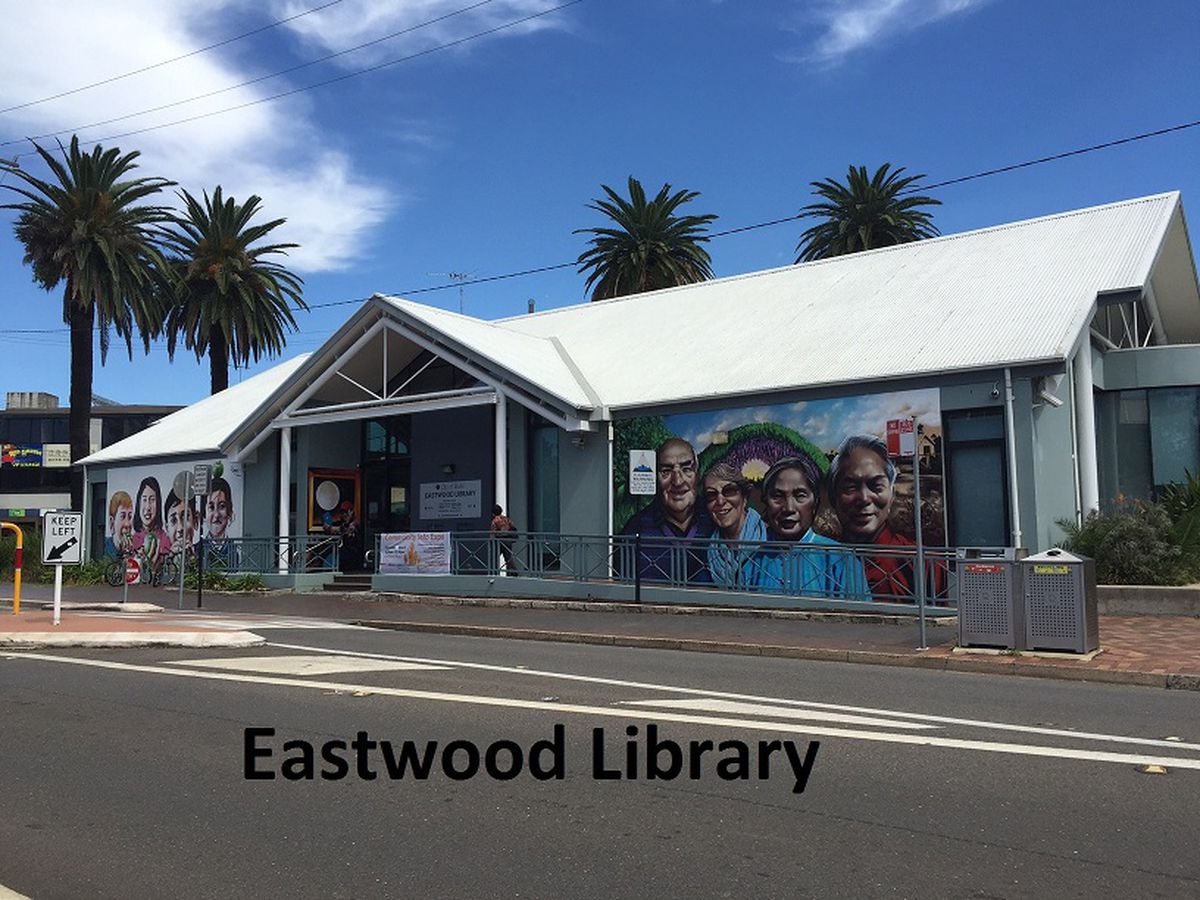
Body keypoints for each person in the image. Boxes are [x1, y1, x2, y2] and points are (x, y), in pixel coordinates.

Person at [829, 434, 944, 602]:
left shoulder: (925, 563)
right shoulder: (822, 562)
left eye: (876, 486)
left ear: (892, 495)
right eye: (850, 487)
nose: (864, 498)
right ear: (833, 497)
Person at [752, 454, 870, 600]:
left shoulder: (842, 560)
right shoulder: (751, 558)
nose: (789, 508)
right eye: (777, 496)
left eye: (800, 496)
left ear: (815, 502)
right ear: (765, 501)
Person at [620, 437, 713, 583]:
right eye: (666, 471)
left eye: (686, 469)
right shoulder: (636, 528)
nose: (678, 481)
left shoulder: (714, 519)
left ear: (697, 476)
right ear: (656, 479)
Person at [702, 461, 767, 588]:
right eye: (711, 495)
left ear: (744, 497)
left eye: (729, 491)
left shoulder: (771, 542)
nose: (720, 501)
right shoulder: (706, 551)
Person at [131, 476, 171, 567]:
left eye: (152, 500)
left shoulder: (164, 539)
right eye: (144, 499)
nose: (148, 507)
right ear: (139, 503)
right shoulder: (133, 539)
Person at [203, 476, 236, 568]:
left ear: (229, 511)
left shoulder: (235, 550)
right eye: (211, 507)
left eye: (222, 506)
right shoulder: (198, 549)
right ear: (204, 513)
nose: (216, 515)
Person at [164, 490, 200, 561]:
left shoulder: (205, 553)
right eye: (173, 520)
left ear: (195, 520)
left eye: (185, 517)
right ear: (167, 528)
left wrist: (193, 560)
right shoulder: (163, 559)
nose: (180, 528)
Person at [103, 491, 135, 558]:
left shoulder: (136, 547)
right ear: (112, 522)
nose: (127, 524)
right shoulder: (104, 547)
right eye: (122, 517)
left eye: (130, 517)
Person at [489, 504, 518, 575]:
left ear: (493, 513)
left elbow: (492, 532)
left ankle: (493, 571)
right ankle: (513, 572)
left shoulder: (495, 521)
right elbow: (513, 527)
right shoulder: (506, 519)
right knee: (508, 556)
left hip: (500, 541)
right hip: (508, 540)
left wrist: (491, 541)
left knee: (494, 556)